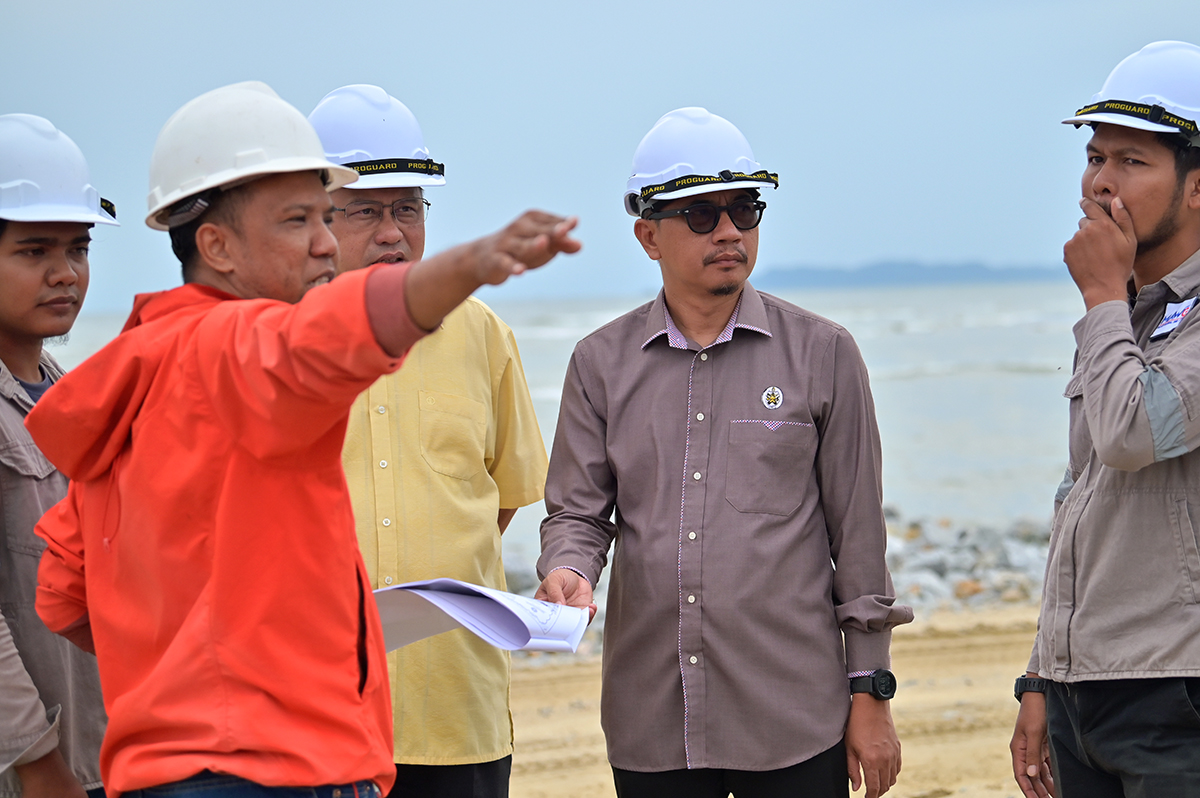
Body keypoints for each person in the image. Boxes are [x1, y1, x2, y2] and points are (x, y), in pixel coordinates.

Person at [27, 81, 579, 798]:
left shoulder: (138, 368)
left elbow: (67, 593)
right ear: (216, 245)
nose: (324, 242)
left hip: (168, 770)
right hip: (278, 767)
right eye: (297, 221)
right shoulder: (236, 344)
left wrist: (191, 663)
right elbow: (329, 337)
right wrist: (470, 265)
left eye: (324, 216)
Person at [534, 107, 912, 798]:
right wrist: (567, 569)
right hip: (653, 721)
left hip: (795, 719)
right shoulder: (599, 364)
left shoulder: (824, 355)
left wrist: (871, 693)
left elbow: (859, 541)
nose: (730, 231)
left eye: (745, 210)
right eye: (702, 215)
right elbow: (578, 515)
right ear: (648, 234)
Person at [308, 85, 548, 798]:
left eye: (407, 208)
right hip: (313, 715)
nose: (393, 232)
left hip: (454, 706)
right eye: (366, 210)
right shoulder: (272, 339)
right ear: (317, 215)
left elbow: (502, 498)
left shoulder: (481, 334)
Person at [1009, 41, 1200, 798]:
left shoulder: (1114, 309)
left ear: (1197, 186)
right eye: (1097, 157)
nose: (1101, 183)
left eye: (1133, 161)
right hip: (1087, 690)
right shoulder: (1131, 314)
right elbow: (1082, 497)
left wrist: (1099, 297)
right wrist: (1041, 675)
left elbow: (1132, 435)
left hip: (1177, 692)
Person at [0, 114, 114, 798]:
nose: (65, 273)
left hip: (100, 755)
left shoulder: (73, 398)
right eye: (34, 250)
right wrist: (38, 762)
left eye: (78, 248)